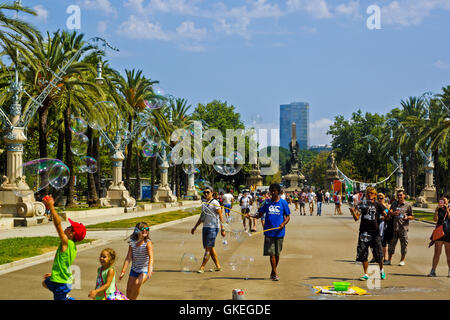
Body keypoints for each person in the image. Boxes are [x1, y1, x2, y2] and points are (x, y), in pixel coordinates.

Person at [41, 195, 86, 300]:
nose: (67, 227)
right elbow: (64, 264)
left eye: (70, 227)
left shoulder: (66, 242)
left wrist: (51, 207)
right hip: (61, 279)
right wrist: (54, 273)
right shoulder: (73, 246)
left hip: (61, 284)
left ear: (72, 234)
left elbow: (58, 225)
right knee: (45, 283)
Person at [249, 183, 290, 281]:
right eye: (271, 191)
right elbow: (259, 215)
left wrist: (283, 224)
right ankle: (275, 273)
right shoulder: (266, 203)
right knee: (272, 253)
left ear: (278, 192)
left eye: (274, 191)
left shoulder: (283, 203)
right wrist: (251, 216)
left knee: (277, 254)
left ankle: (273, 271)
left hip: (279, 232)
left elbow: (288, 217)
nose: (272, 192)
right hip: (269, 232)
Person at [349, 187, 386, 281]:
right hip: (364, 232)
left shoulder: (378, 204)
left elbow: (386, 211)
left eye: (372, 193)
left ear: (375, 195)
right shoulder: (362, 204)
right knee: (363, 253)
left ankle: (381, 270)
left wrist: (387, 213)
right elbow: (356, 218)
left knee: (379, 254)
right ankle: (366, 273)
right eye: (368, 193)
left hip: (375, 232)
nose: (369, 194)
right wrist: (353, 212)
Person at [191, 187, 226, 273]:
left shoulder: (215, 202)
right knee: (210, 248)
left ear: (212, 193)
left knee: (208, 248)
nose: (206, 194)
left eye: (208, 192)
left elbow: (220, 215)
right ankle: (218, 266)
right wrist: (195, 227)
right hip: (205, 227)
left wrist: (223, 228)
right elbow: (202, 218)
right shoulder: (204, 204)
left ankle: (202, 267)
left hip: (213, 227)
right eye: (204, 192)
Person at [119, 222, 154, 300]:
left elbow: (151, 257)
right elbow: (128, 257)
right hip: (134, 269)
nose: (145, 231)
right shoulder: (132, 242)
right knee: (129, 293)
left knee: (137, 283)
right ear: (137, 231)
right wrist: (123, 271)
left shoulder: (148, 243)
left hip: (144, 270)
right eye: (142, 229)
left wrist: (149, 270)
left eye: (147, 229)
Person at [386, 189, 414, 266]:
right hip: (394, 228)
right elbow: (389, 212)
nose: (399, 196)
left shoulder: (408, 205)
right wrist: (392, 213)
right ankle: (389, 260)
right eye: (398, 195)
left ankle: (402, 260)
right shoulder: (394, 203)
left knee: (404, 245)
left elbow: (412, 216)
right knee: (391, 245)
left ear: (404, 195)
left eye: (401, 195)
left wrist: (407, 217)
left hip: (403, 228)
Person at [427, 197, 450, 277]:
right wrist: (436, 210)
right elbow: (435, 219)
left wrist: (447, 210)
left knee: (448, 254)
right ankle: (433, 271)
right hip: (439, 233)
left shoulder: (449, 209)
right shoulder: (439, 209)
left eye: (444, 201)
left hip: (448, 233)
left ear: (447, 202)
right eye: (441, 201)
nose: (442, 202)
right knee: (437, 253)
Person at [377, 193, 393, 263]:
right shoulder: (376, 205)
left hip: (385, 225)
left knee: (384, 242)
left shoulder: (387, 206)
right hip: (377, 224)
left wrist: (388, 215)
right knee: (376, 242)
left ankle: (385, 257)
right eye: (378, 198)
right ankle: (375, 257)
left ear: (384, 198)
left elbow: (389, 215)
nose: (380, 200)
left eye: (381, 198)